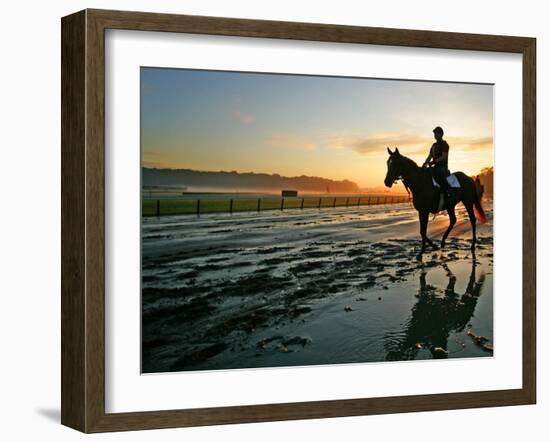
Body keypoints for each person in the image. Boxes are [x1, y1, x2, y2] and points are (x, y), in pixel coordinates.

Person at [423, 126, 451, 203]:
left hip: (442, 167)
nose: (435, 135)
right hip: (435, 166)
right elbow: (430, 156)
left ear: (441, 134)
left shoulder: (445, 144)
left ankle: (447, 193)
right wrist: (425, 163)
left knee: (441, 175)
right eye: (434, 134)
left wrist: (434, 161)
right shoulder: (433, 145)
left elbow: (444, 157)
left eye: (436, 134)